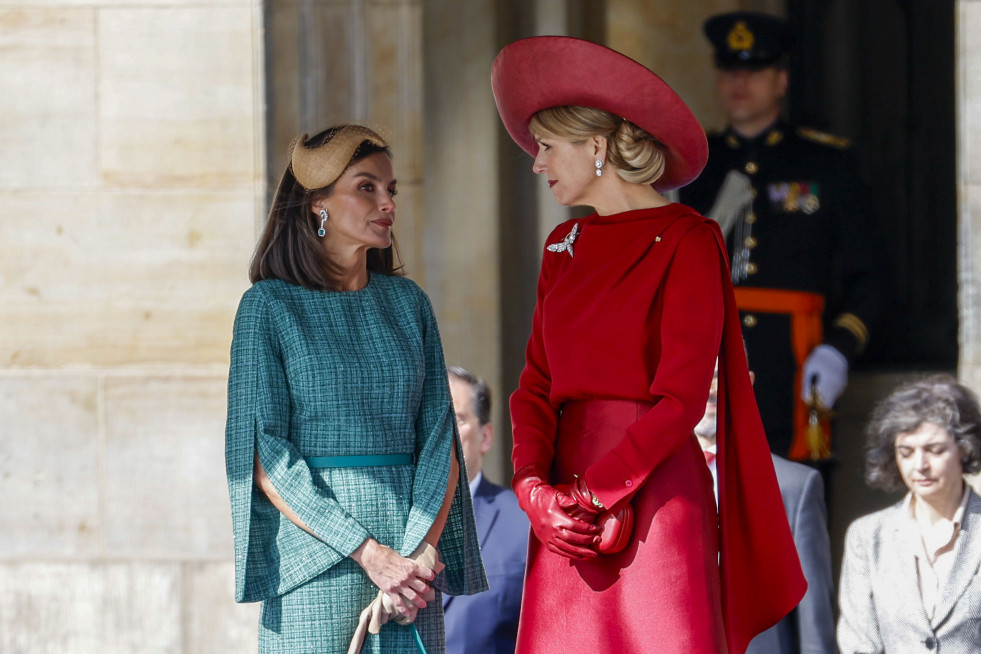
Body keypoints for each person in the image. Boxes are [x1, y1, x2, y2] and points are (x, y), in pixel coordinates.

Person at [491, 36, 805, 654]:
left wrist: (587, 495)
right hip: (562, 512)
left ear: (597, 145)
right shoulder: (563, 247)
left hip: (654, 498)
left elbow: (680, 400)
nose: (537, 163)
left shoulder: (690, 239)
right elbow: (533, 386)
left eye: (548, 146)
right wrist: (532, 490)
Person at [224, 124, 487, 653]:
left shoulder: (409, 304)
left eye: (391, 189)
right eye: (367, 187)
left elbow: (441, 442)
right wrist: (369, 554)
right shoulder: (268, 308)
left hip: (412, 570)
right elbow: (264, 454)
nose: (387, 201)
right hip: (317, 563)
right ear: (315, 204)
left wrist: (416, 556)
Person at [679, 12, 881, 463]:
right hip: (708, 365)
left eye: (754, 71)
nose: (740, 82)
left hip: (795, 365)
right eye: (730, 70)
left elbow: (870, 276)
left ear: (782, 80)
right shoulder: (693, 169)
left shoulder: (827, 164)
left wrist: (837, 350)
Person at [695, 362, 836, 654]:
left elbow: (812, 616)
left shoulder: (793, 485)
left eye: (719, 378)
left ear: (746, 381)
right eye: (695, 377)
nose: (708, 390)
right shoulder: (643, 483)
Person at [838, 376, 981, 653]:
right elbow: (858, 643)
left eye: (935, 450)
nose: (920, 465)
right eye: (906, 452)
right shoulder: (867, 537)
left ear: (964, 448)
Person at [443, 366, 529, 654]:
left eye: (457, 418)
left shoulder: (524, 524)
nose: (441, 433)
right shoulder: (379, 527)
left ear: (485, 436)